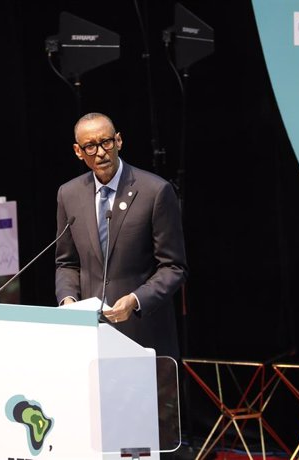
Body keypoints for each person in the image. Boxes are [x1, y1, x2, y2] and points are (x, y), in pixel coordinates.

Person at [55, 112, 188, 360]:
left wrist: (136, 300)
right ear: (78, 151)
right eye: (91, 146)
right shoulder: (68, 195)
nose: (101, 152)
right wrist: (68, 300)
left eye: (106, 142)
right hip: (91, 337)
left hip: (143, 335)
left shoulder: (155, 191)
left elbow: (174, 267)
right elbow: (67, 262)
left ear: (118, 141)